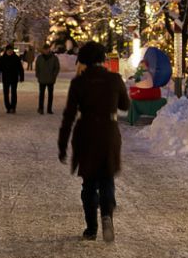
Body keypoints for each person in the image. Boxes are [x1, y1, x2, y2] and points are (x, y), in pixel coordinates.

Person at [58, 41, 129, 243]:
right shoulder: (114, 79)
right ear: (102, 59)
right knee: (107, 179)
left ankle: (91, 228)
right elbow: (125, 105)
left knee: (89, 183)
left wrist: (62, 145)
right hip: (108, 133)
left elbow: (69, 116)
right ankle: (107, 214)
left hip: (86, 134)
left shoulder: (79, 83)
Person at [0, 44, 24, 113]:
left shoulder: (16, 58)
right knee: (6, 93)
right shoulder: (2, 58)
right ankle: (8, 107)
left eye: (11, 50)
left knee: (14, 93)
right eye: (9, 50)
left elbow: (20, 68)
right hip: (6, 78)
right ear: (6, 51)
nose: (10, 51)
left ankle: (13, 107)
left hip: (14, 78)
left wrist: (21, 77)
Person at [35, 43, 60, 114]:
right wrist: (38, 75)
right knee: (41, 95)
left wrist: (54, 75)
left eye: (47, 49)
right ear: (43, 50)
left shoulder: (54, 57)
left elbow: (57, 67)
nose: (46, 51)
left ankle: (49, 109)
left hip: (50, 79)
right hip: (42, 79)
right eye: (45, 49)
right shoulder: (40, 58)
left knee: (50, 95)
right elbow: (37, 67)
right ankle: (41, 108)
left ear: (49, 49)